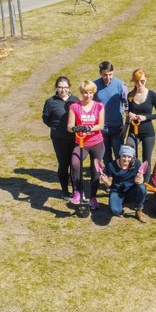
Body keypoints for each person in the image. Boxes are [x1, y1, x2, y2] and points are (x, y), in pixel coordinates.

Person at [66, 80, 106, 209]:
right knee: (75, 163)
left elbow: (101, 125)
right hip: (81, 142)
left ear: (93, 93)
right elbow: (69, 126)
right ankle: (78, 191)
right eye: (84, 93)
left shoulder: (99, 106)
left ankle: (93, 197)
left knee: (95, 170)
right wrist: (75, 128)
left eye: (90, 93)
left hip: (96, 143)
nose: (87, 96)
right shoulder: (74, 107)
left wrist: (89, 128)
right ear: (81, 93)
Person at [42, 76, 78, 197]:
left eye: (65, 87)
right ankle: (64, 190)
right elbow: (46, 118)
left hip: (74, 138)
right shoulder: (50, 102)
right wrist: (56, 127)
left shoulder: (75, 100)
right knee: (63, 164)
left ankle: (75, 189)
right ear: (56, 88)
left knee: (74, 164)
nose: (63, 90)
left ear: (69, 88)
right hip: (59, 139)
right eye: (60, 87)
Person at [124, 68, 156, 181]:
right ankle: (131, 179)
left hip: (148, 133)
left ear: (146, 80)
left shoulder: (151, 95)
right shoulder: (130, 95)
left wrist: (146, 117)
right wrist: (129, 115)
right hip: (133, 131)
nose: (139, 84)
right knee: (129, 153)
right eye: (137, 81)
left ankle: (144, 184)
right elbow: (128, 111)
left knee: (146, 160)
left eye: (142, 81)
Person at [99, 145, 147, 222]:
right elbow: (110, 184)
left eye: (129, 157)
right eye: (124, 156)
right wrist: (105, 181)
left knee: (142, 187)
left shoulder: (137, 163)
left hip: (131, 191)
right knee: (116, 211)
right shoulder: (112, 165)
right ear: (120, 156)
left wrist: (139, 180)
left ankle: (139, 210)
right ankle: (120, 204)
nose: (126, 159)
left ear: (132, 157)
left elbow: (140, 179)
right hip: (117, 191)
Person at [93, 61, 129, 165]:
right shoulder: (94, 86)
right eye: (105, 75)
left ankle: (118, 177)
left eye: (110, 74)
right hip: (101, 128)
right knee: (105, 154)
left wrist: (126, 124)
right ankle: (108, 175)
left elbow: (127, 105)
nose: (108, 77)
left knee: (119, 154)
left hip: (117, 128)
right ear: (100, 73)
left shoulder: (120, 85)